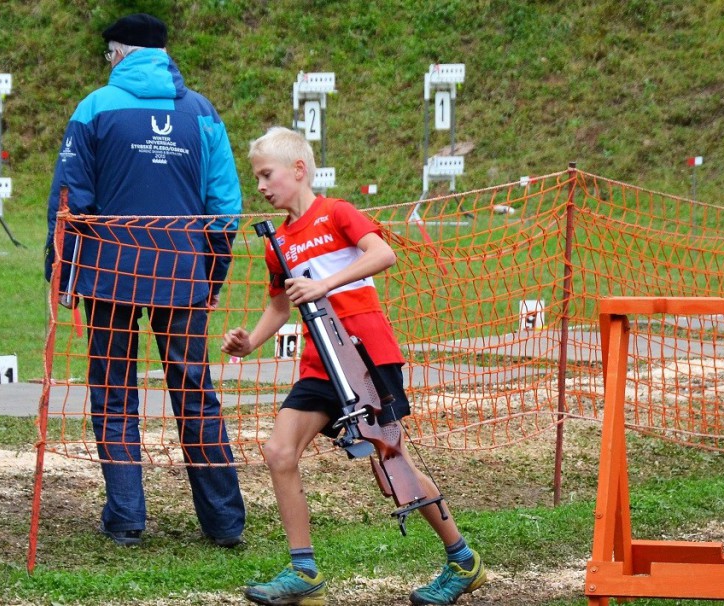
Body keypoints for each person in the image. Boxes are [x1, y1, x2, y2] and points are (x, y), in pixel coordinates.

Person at [222, 127, 487, 606]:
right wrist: (249, 342)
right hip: (318, 362)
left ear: (299, 169)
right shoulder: (276, 242)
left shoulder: (336, 212)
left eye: (266, 174)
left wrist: (326, 285)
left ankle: (463, 560)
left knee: (393, 465)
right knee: (279, 451)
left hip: (367, 354)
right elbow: (280, 306)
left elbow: (382, 254)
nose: (260, 186)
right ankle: (304, 573)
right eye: (256, 177)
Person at [44, 13, 245, 548]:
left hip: (110, 279)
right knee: (196, 395)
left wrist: (60, 274)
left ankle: (127, 518)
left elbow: (70, 202)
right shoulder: (202, 112)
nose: (107, 61)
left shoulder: (94, 109)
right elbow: (224, 208)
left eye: (109, 53)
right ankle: (225, 524)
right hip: (182, 277)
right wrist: (213, 272)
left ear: (122, 52)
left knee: (113, 396)